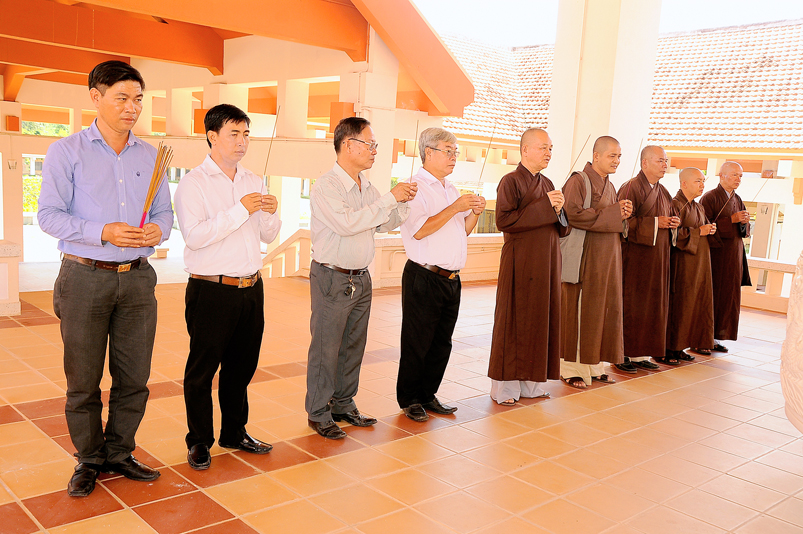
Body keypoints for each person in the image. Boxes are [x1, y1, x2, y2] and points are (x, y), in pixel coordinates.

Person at [38, 61, 172, 497]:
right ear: (95, 97)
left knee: (134, 378)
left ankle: (119, 451)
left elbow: (164, 213)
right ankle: (89, 458)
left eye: (138, 99)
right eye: (122, 98)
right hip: (84, 277)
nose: (132, 107)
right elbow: (48, 216)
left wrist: (158, 231)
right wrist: (103, 232)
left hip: (137, 280)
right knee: (83, 380)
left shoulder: (151, 157)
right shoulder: (66, 151)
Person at [174, 104, 281, 470]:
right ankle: (199, 441)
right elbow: (195, 236)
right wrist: (240, 210)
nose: (242, 142)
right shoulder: (193, 183)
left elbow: (267, 234)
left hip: (251, 288)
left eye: (246, 134)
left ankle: (234, 432)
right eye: (234, 134)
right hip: (211, 290)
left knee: (241, 368)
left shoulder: (254, 180)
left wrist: (271, 212)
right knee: (202, 371)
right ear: (212, 136)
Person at [306, 117, 417, 439]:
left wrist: (403, 203)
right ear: (347, 144)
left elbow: (381, 223)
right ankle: (318, 412)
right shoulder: (327, 185)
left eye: (375, 145)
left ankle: (343, 403)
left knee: (353, 346)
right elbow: (347, 223)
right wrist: (390, 199)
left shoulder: (366, 186)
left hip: (360, 277)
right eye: (369, 144)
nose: (374, 151)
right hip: (332, 277)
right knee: (326, 348)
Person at [397, 127, 485, 421]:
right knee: (417, 341)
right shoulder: (413, 187)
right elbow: (420, 230)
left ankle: (427, 394)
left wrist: (474, 212)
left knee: (441, 342)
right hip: (424, 276)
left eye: (455, 152)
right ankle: (410, 398)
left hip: (451, 279)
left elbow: (463, 230)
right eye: (448, 151)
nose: (453, 157)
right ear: (428, 152)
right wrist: (455, 207)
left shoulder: (451, 188)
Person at [487, 128, 568, 405]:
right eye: (543, 147)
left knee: (539, 320)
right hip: (520, 261)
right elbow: (504, 221)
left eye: (550, 148)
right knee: (514, 321)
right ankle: (505, 389)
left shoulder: (548, 183)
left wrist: (559, 210)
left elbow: (561, 227)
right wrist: (546, 206)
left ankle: (532, 385)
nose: (548, 153)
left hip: (547, 261)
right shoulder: (510, 181)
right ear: (525, 150)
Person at [560, 136, 632, 389]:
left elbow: (609, 217)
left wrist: (623, 214)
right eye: (612, 156)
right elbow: (572, 214)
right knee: (580, 311)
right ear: (596, 156)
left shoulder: (610, 184)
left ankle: (594, 366)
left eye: (619, 156)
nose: (617, 161)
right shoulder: (578, 181)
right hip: (585, 257)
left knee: (601, 310)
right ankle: (571, 368)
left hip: (606, 259)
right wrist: (614, 213)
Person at [615, 145, 679, 372]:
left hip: (658, 259)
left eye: (666, 161)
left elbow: (670, 216)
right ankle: (622, 353)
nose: (665, 165)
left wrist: (673, 223)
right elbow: (622, 223)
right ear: (644, 163)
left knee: (651, 306)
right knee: (632, 305)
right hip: (635, 260)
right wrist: (655, 223)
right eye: (660, 161)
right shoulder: (630, 187)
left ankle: (641, 354)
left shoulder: (664, 192)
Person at [700, 161, 751, 352]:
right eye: (735, 175)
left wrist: (743, 222)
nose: (738, 179)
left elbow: (743, 229)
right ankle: (702, 339)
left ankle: (717, 337)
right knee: (712, 296)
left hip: (733, 257)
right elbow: (704, 225)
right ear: (722, 175)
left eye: (741, 176)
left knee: (728, 298)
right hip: (716, 256)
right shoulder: (710, 197)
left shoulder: (737, 198)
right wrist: (731, 220)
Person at [666, 167, 716, 361]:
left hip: (699, 265)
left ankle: (681, 347)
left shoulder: (698, 207)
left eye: (703, 181)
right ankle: (668, 349)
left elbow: (702, 228)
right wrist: (698, 232)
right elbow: (671, 234)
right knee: (680, 306)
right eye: (698, 181)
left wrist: (709, 229)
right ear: (684, 183)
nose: (702, 185)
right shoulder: (675, 204)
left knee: (693, 306)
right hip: (682, 265)